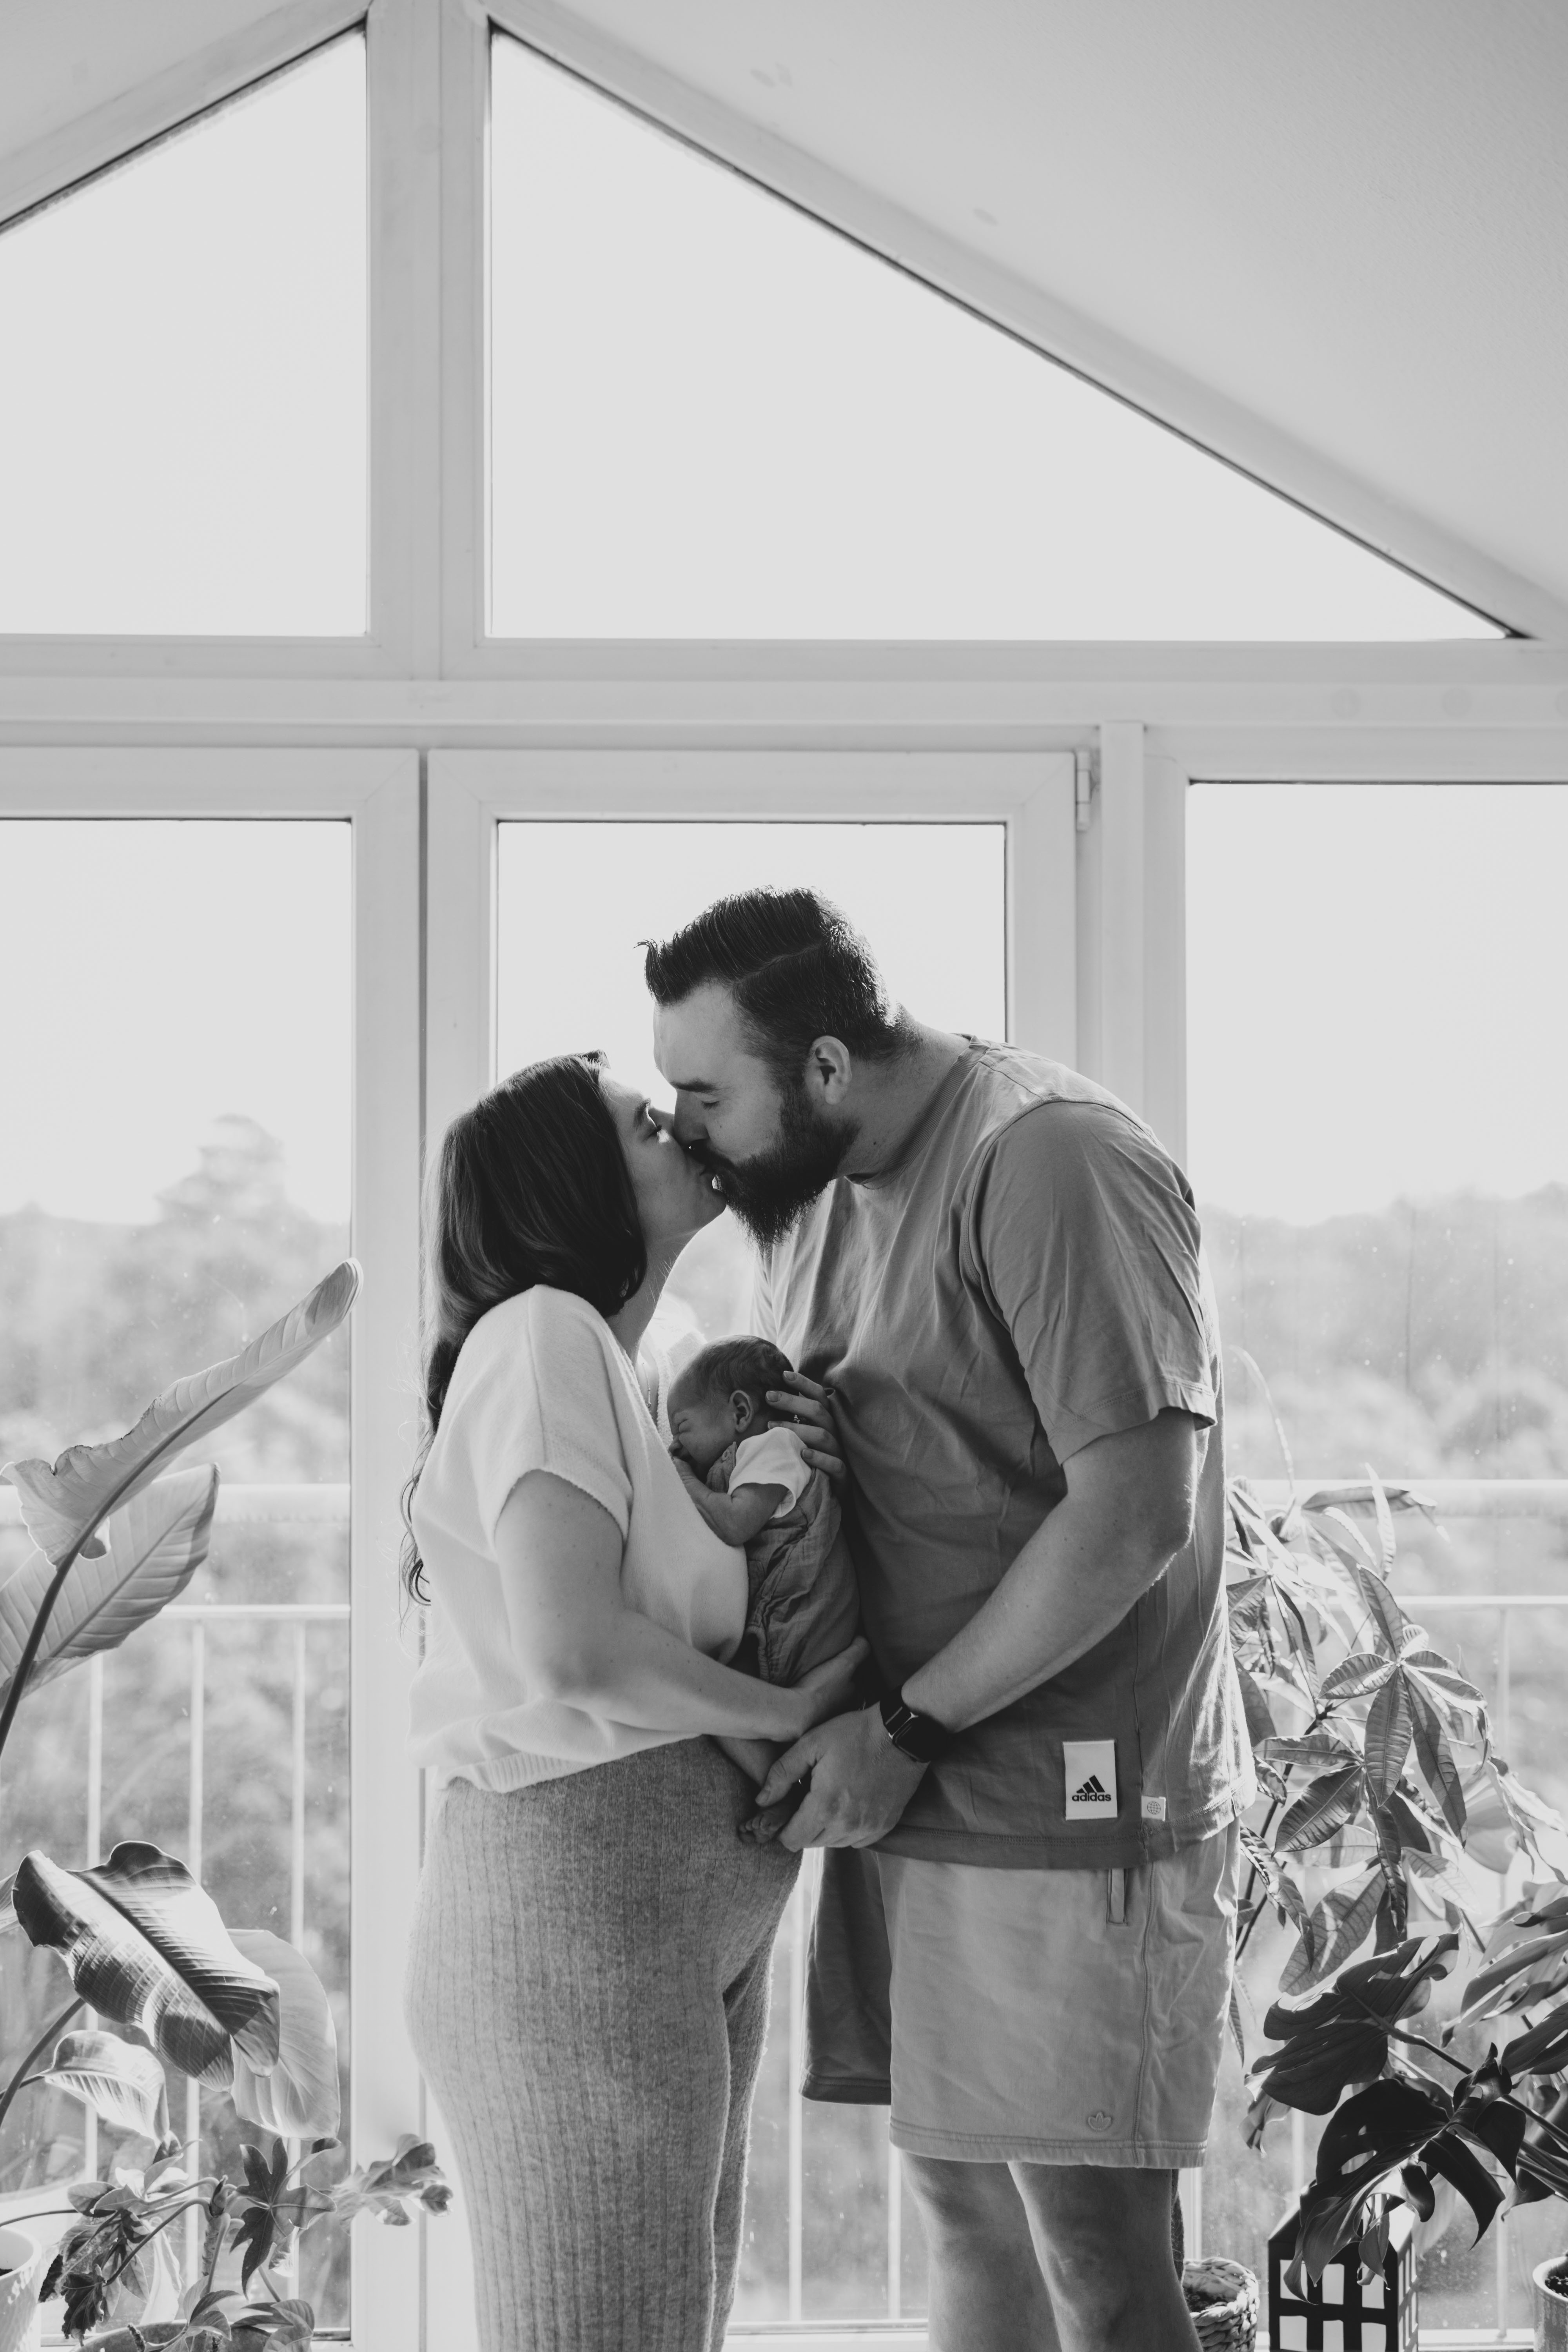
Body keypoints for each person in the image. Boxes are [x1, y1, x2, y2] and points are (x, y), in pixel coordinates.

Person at [644, 888, 1251, 2352]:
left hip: (1057, 1788)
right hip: (910, 1777)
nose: (688, 1134)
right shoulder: (814, 1198)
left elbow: (1134, 1511)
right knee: (966, 2224)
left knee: (1095, 2258)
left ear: (826, 1066)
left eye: (707, 1095)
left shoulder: (1049, 1159)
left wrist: (906, 1725)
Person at [401, 1051, 865, 2352]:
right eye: (648, 1123)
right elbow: (576, 1653)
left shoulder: (636, 1364)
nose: (685, 1129)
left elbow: (651, 1637)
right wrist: (794, 1717)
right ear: (576, 1182)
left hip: (648, 1927)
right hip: (576, 1928)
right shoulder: (544, 1334)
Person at [666, 1334, 862, 1829]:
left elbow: (736, 1523)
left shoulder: (775, 1447)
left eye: (682, 1427)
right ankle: (783, 1789)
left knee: (713, 1694)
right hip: (789, 1620)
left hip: (803, 1619)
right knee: (716, 1697)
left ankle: (782, 1790)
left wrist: (681, 1479)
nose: (676, 1446)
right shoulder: (749, 1458)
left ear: (739, 1412)